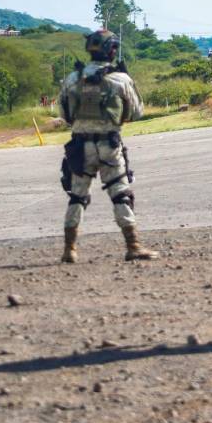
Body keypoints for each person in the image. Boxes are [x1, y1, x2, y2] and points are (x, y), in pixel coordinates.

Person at [58, 30, 158, 264]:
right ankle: (133, 245)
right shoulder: (121, 80)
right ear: (111, 50)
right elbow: (136, 113)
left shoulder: (73, 78)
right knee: (120, 194)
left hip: (80, 147)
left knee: (77, 196)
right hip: (109, 145)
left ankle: (69, 249)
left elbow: (64, 114)